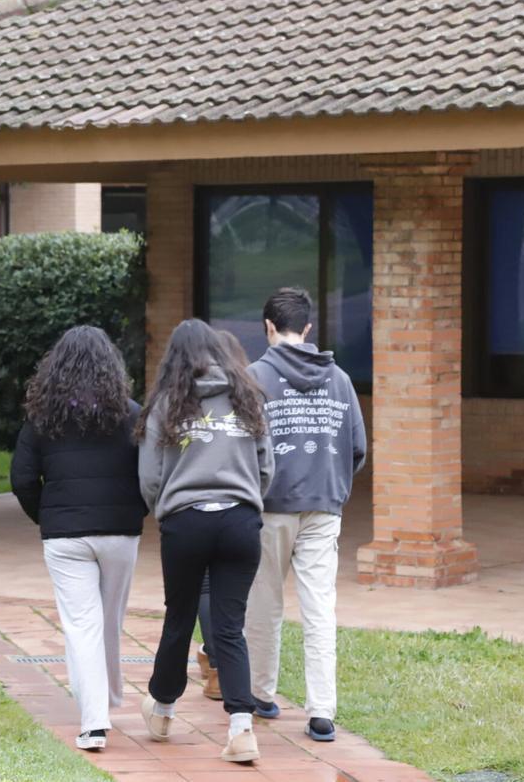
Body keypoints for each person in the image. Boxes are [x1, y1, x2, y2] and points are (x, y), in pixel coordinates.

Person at [136, 318, 273, 764]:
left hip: (186, 524)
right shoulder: (248, 397)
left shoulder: (165, 404)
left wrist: (169, 509)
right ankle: (241, 731)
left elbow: (151, 477)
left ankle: (162, 711)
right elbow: (266, 467)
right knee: (230, 628)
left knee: (178, 620)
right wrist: (247, 501)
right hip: (240, 523)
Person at [10, 325, 149, 752]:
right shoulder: (131, 413)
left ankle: (94, 721)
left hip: (65, 537)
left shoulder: (42, 417)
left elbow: (22, 479)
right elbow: (151, 475)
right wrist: (136, 511)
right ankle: (103, 700)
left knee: (81, 626)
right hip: (121, 535)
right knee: (108, 622)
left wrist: (47, 517)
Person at [244, 287, 367, 743]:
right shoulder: (340, 379)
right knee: (320, 609)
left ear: (269, 327)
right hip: (324, 507)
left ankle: (261, 693)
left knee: (265, 602)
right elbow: (357, 448)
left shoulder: (254, 378)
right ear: (308, 329)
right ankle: (321, 712)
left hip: (271, 509)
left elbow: (246, 449)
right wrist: (331, 484)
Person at [194, 330, 254, 703]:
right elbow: (265, 461)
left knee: (202, 588)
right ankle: (234, 693)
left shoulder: (183, 399)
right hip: (240, 512)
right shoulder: (249, 400)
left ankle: (213, 665)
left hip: (194, 510)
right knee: (233, 603)